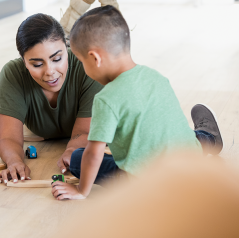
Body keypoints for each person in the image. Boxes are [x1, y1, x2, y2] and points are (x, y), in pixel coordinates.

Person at [51, 5, 223, 200]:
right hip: (187, 165)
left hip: (148, 182)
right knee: (178, 138)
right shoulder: (155, 76)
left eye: (81, 61)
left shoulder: (106, 99)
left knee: (78, 159)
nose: (83, 67)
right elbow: (171, 124)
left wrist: (82, 191)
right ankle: (208, 138)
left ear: (95, 58)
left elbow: (94, 154)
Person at [0, 13, 104, 184]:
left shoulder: (87, 68)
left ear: (67, 47)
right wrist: (14, 162)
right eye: (37, 64)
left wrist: (72, 150)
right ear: (24, 62)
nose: (50, 71)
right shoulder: (12, 74)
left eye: (57, 58)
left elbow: (85, 132)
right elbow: (9, 138)